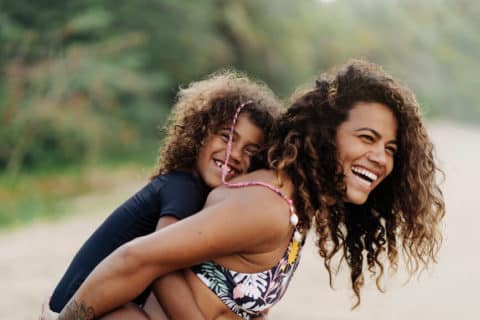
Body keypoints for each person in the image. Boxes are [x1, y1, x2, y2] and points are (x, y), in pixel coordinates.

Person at [52, 59, 445, 319]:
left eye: (390, 148)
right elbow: (135, 260)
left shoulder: (297, 208)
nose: (381, 157)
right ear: (325, 135)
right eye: (367, 137)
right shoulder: (266, 206)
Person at [45, 71, 282, 318]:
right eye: (227, 137)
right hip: (79, 305)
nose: (235, 154)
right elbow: (163, 268)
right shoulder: (185, 188)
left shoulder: (210, 202)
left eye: (250, 151)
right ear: (201, 133)